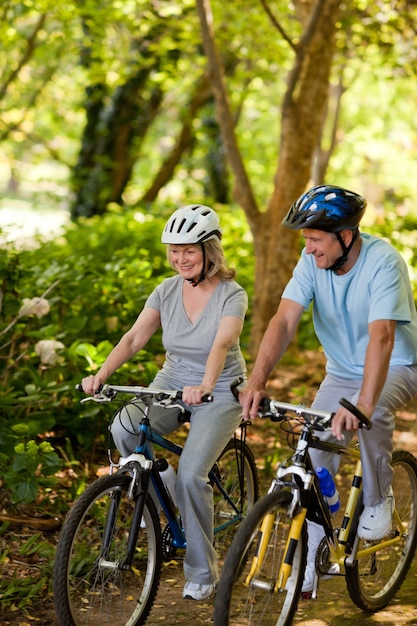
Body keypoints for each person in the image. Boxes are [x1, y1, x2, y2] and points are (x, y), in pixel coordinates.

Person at [239, 184, 417, 594]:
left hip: (397, 366)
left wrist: (363, 403)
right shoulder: (311, 264)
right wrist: (257, 381)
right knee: (314, 458)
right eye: (306, 240)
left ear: (346, 237)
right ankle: (309, 562)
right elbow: (284, 322)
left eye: (316, 240)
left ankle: (378, 499)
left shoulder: (383, 262)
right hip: (340, 372)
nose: (308, 249)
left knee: (369, 415)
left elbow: (383, 339)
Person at [82, 204, 247, 601]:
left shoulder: (232, 294)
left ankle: (202, 572)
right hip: (171, 381)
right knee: (124, 428)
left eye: (188, 250)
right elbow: (134, 338)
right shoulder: (166, 290)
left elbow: (222, 345)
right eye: (174, 250)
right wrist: (101, 374)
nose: (180, 259)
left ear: (210, 251)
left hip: (220, 386)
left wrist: (205, 386)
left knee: (193, 473)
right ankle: (165, 492)